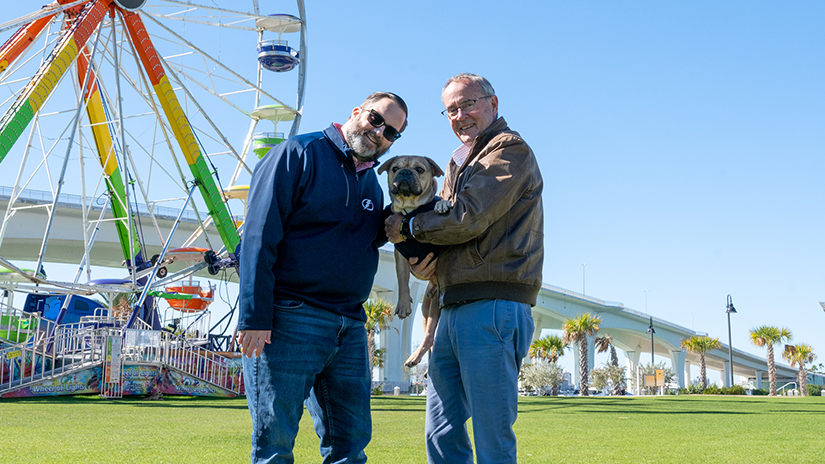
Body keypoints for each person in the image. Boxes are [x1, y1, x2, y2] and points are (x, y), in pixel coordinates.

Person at [238, 92, 407, 464]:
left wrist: (396, 222)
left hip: (349, 324)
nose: (380, 133)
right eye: (376, 119)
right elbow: (257, 236)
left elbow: (356, 236)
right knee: (275, 445)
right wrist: (253, 316)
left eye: (392, 132)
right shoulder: (297, 153)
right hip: (290, 319)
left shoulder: (370, 183)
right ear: (357, 112)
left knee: (350, 446)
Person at [386, 73, 543, 463]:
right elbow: (449, 235)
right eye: (452, 109)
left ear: (493, 103)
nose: (460, 115)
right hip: (451, 308)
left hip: (492, 304)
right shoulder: (461, 162)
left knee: (492, 439)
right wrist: (426, 265)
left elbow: (467, 219)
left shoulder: (508, 151)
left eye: (468, 104)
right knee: (442, 434)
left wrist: (406, 228)